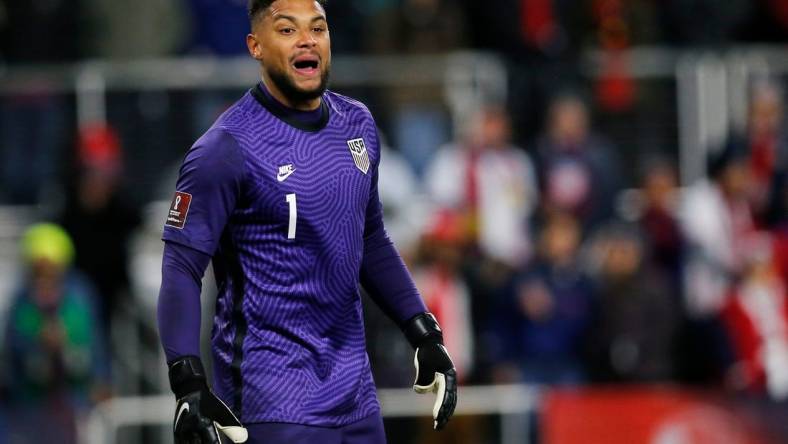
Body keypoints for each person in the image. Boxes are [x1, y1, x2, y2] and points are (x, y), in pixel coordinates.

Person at [156, 1, 457, 443]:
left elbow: (370, 238)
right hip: (271, 395)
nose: (307, 39)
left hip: (356, 396)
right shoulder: (224, 148)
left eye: (318, 28)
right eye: (287, 29)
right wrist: (187, 381)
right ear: (255, 46)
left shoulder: (358, 125)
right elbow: (181, 268)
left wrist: (422, 331)